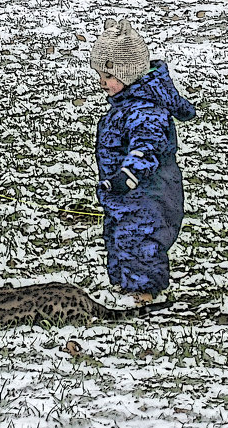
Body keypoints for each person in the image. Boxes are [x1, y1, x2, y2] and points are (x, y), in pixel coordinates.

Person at [90, 19, 195, 303]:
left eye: (107, 77)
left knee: (141, 240)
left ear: (128, 74)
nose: (102, 84)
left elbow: (146, 147)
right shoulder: (126, 103)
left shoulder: (145, 109)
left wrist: (128, 174)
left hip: (148, 193)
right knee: (120, 237)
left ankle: (145, 293)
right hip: (125, 194)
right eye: (99, 76)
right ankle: (126, 286)